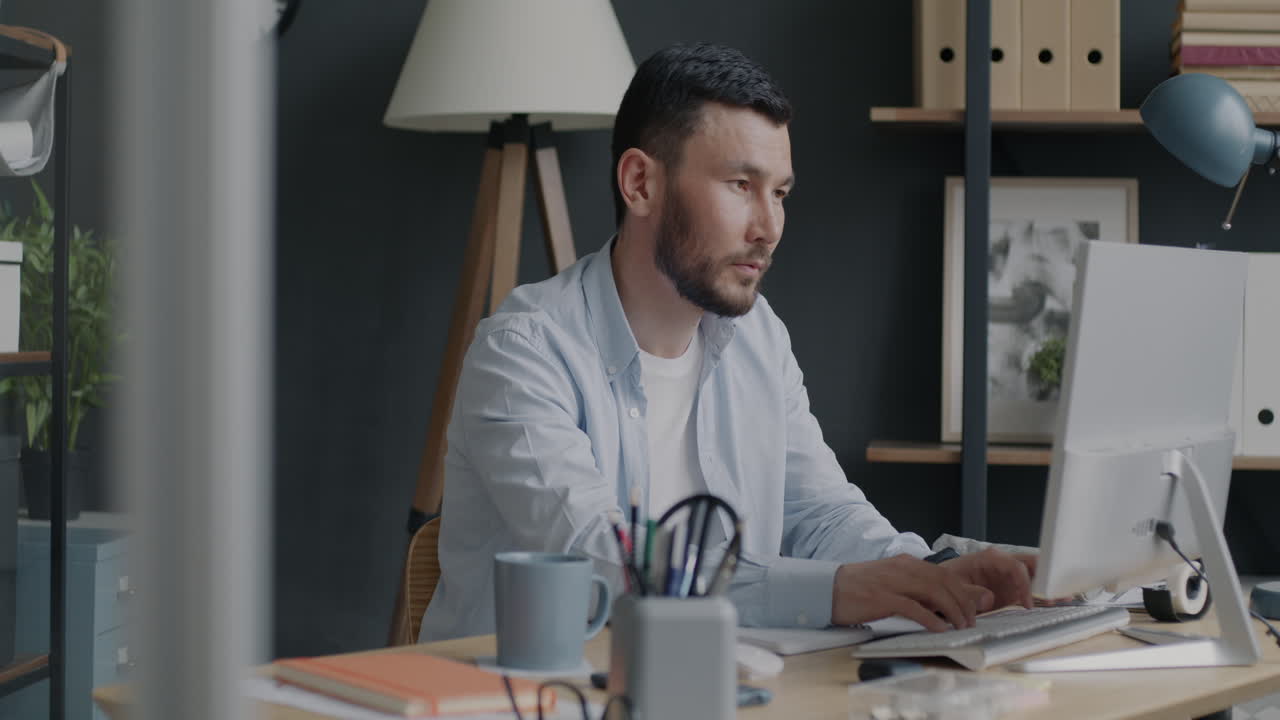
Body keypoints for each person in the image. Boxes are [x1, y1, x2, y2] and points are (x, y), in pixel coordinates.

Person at [419, 42, 1035, 642]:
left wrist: (926, 573)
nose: (768, 228)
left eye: (780, 193)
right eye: (741, 184)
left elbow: (821, 515)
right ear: (640, 183)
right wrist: (835, 591)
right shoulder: (522, 351)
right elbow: (602, 559)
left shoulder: (757, 337)